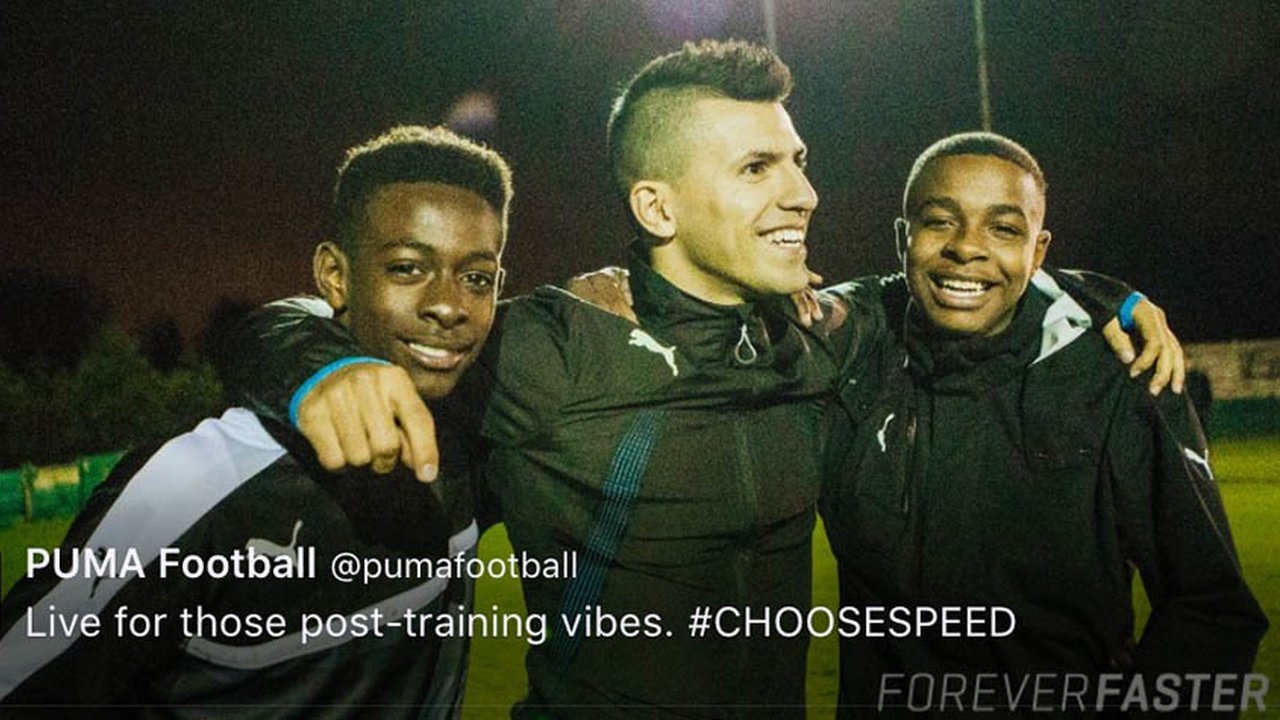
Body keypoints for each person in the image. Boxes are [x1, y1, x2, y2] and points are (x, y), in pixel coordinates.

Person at [223, 41, 1184, 718]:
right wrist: (324, 364)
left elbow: (958, 272)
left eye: (798, 162)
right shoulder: (552, 345)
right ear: (657, 204)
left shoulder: (825, 333)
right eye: (758, 167)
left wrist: (1106, 295)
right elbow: (319, 328)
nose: (803, 192)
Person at [0, 125, 512, 717]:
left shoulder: (477, 437)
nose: (448, 305)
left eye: (475, 278)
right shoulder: (197, 486)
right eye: (406, 268)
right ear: (335, 276)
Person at [818, 132, 1267, 717]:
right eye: (938, 221)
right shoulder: (853, 358)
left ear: (1038, 251)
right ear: (903, 238)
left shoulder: (1119, 372)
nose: (966, 248)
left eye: (1003, 229)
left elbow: (1210, 608)